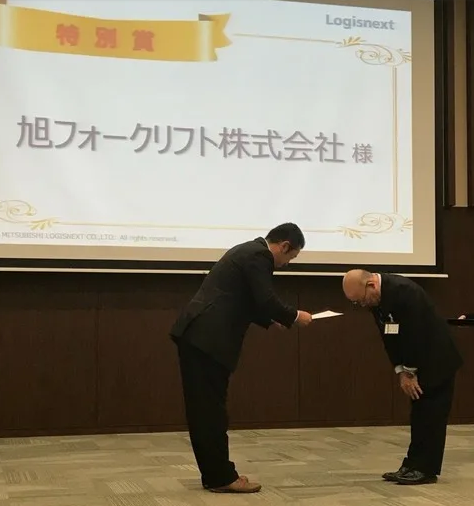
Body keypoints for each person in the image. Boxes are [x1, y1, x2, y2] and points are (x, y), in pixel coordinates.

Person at [170, 223, 313, 493]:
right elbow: (265, 299)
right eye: (291, 257)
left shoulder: (247, 251)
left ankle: (215, 475)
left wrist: (271, 320)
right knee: (210, 412)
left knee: (205, 410)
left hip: (200, 337)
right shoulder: (259, 255)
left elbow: (244, 299)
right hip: (207, 340)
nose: (286, 264)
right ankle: (221, 477)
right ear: (284, 246)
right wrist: (294, 316)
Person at [342, 269, 462, 485]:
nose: (361, 305)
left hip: (436, 359)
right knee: (419, 415)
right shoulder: (376, 300)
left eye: (360, 300)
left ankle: (426, 469)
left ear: (371, 285)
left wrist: (410, 371)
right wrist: (400, 369)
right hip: (416, 361)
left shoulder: (405, 292)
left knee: (432, 416)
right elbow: (389, 337)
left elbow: (416, 335)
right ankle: (412, 465)